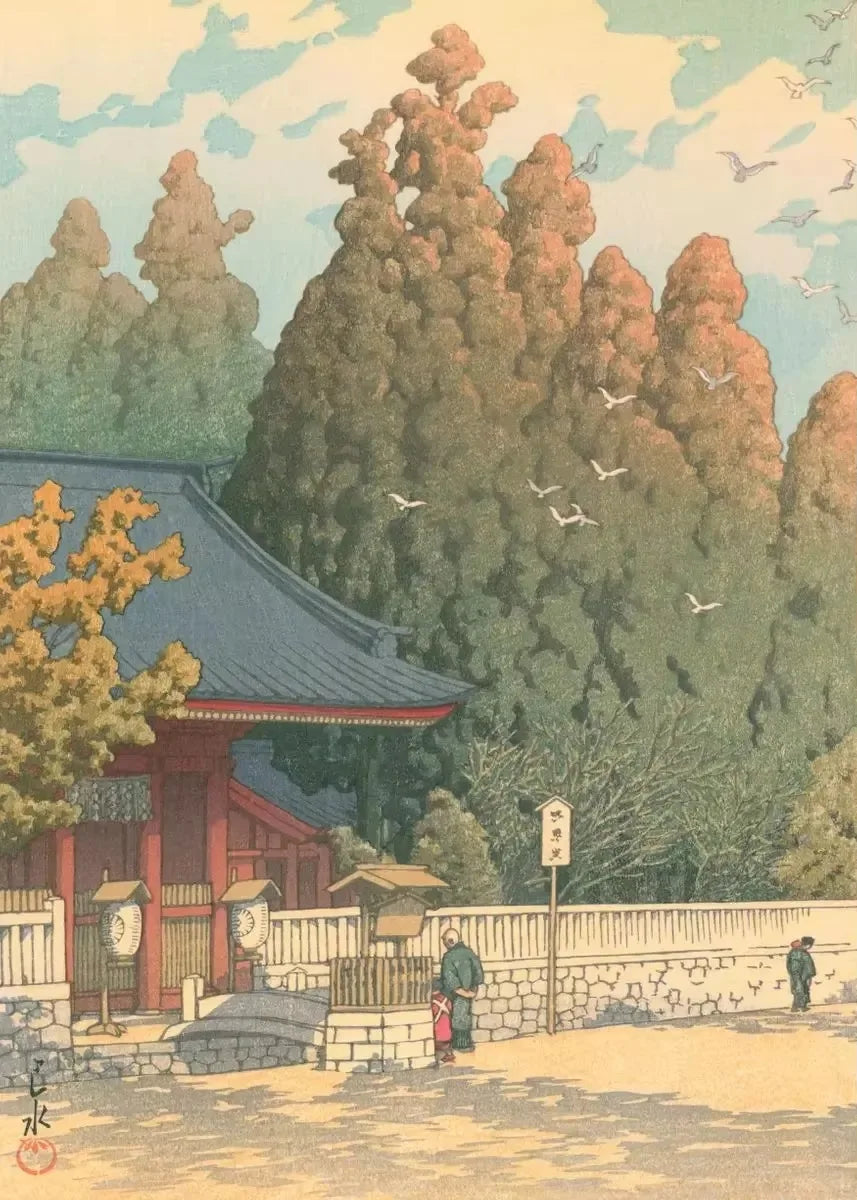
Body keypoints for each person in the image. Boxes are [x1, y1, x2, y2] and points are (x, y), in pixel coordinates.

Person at [439, 926, 484, 1054]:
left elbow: (449, 979)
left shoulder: (448, 957)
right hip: (470, 991)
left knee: (458, 1017)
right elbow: (478, 973)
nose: (445, 946)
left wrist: (460, 991)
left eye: (446, 943)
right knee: (466, 1016)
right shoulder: (470, 953)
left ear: (451, 941)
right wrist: (473, 990)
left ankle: (460, 1046)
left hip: (457, 993)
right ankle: (466, 1044)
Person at [786, 935, 816, 1013]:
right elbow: (794, 966)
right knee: (799, 990)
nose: (810, 947)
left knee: (803, 990)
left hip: (803, 975)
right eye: (810, 946)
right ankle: (797, 1007)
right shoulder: (796, 952)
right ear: (807, 945)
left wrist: (808, 974)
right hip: (798, 976)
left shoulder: (802, 952)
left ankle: (801, 1007)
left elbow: (808, 964)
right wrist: (798, 975)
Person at [431, 985, 455, 1064]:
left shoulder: (432, 1000)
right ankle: (448, 1054)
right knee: (446, 1045)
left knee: (438, 1045)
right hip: (447, 1032)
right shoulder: (446, 999)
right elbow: (450, 1009)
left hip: (438, 1032)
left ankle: (442, 1056)